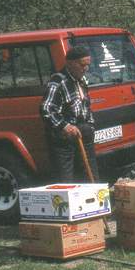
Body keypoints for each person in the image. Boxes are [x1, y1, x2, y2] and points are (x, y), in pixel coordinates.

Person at [40, 46, 98, 182]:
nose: (86, 69)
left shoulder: (82, 81)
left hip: (83, 132)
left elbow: (86, 106)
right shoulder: (58, 81)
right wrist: (65, 126)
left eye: (88, 65)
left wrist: (90, 126)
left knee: (91, 176)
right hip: (64, 136)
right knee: (66, 180)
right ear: (70, 63)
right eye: (82, 65)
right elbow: (46, 109)